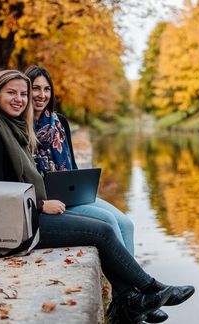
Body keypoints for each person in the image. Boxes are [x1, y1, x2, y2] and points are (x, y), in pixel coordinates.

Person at [0, 70, 194, 323]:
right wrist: (42, 204)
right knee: (102, 231)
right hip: (13, 227)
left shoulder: (12, 128)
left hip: (26, 214)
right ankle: (148, 290)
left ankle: (134, 297)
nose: (20, 99)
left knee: (105, 227)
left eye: (22, 94)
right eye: (12, 93)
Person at [23, 65, 135, 255]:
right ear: (26, 90)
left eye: (47, 89)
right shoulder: (19, 127)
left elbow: (72, 166)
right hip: (46, 203)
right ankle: (131, 282)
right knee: (109, 221)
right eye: (36, 88)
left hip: (73, 196)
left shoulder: (59, 122)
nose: (42, 94)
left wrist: (82, 187)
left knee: (126, 224)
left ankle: (132, 284)